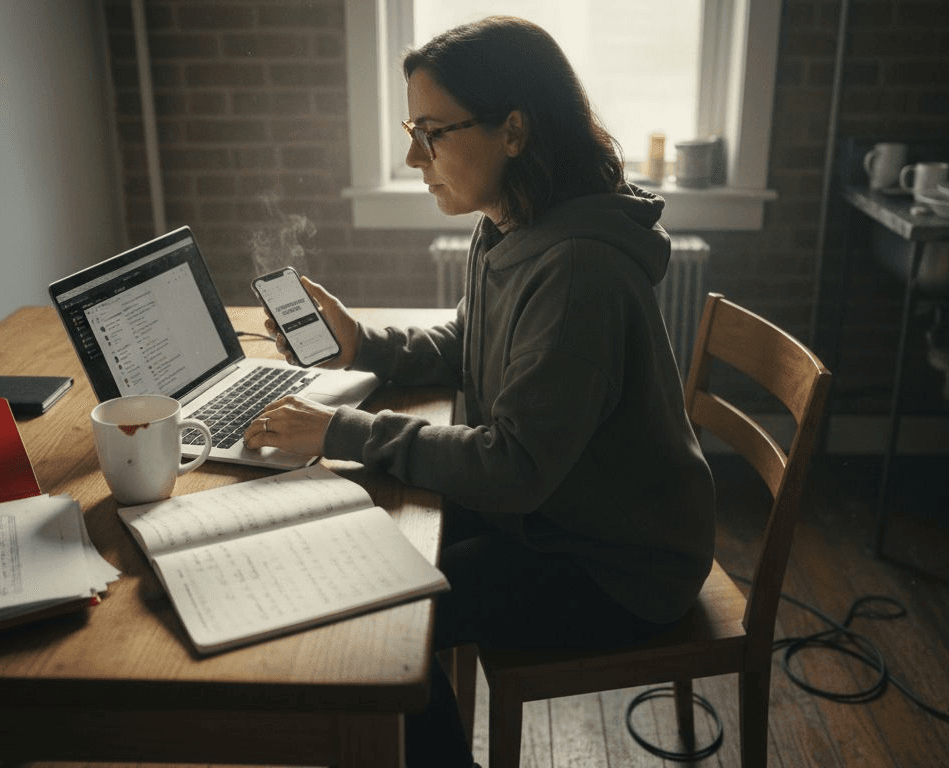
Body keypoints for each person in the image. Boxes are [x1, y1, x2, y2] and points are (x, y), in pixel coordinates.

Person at [245, 15, 714, 767]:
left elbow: (513, 468)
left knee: (383, 624)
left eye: (431, 132)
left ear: (514, 132)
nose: (412, 155)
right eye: (412, 128)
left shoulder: (578, 270)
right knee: (358, 530)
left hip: (616, 562)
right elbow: (467, 344)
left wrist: (340, 432)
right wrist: (361, 346)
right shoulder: (510, 224)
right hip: (556, 511)